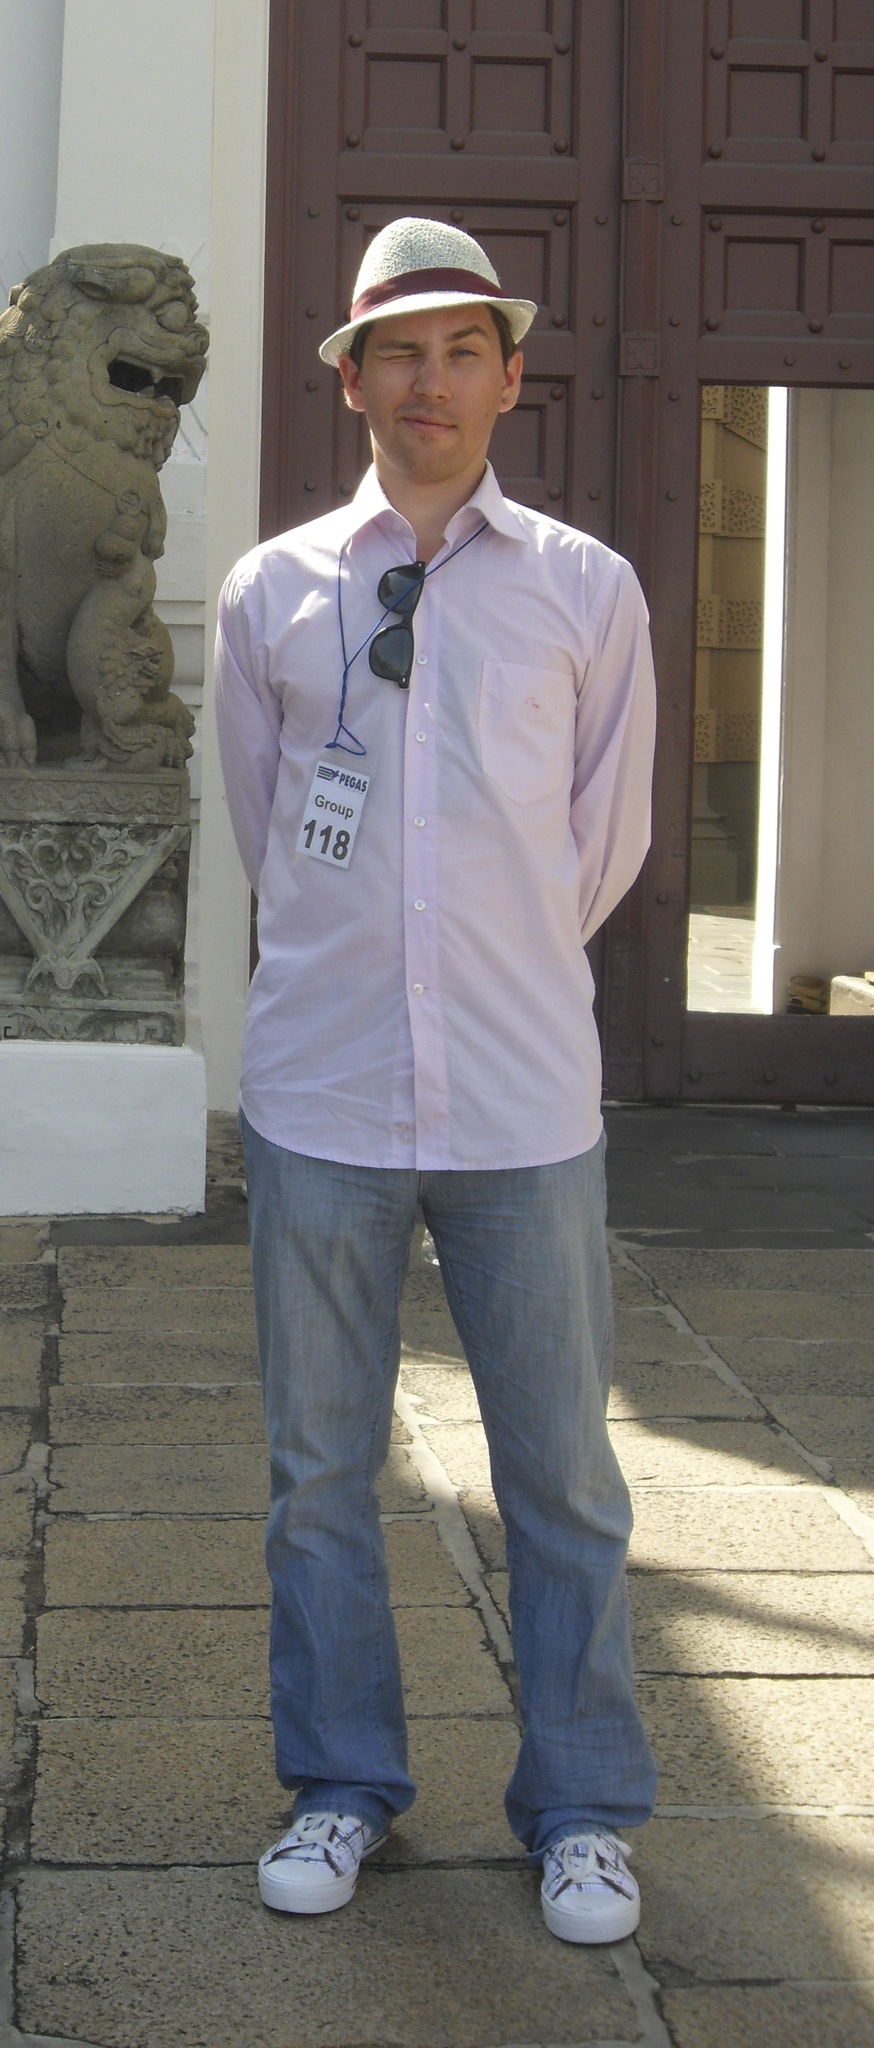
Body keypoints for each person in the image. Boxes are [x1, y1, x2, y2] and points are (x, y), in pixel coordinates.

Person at [214, 216, 658, 1945]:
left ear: (509, 378)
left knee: (562, 1479)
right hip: (320, 1096)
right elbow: (270, 827)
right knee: (317, 1472)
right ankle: (340, 1784)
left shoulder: (583, 588)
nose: (430, 380)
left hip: (520, 1100)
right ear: (349, 379)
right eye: (397, 350)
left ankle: (583, 1812)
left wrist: (491, 958)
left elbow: (596, 847)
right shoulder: (269, 592)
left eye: (463, 349)